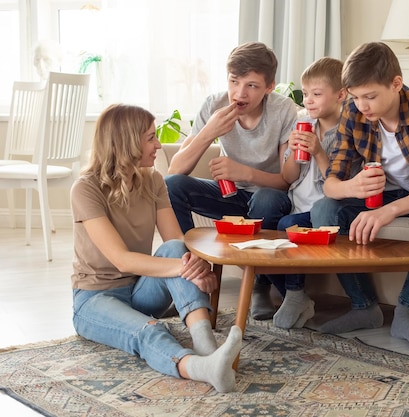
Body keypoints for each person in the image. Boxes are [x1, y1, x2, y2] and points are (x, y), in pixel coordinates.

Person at [71, 104, 242, 393]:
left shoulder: (153, 181)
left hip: (140, 290)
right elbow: (121, 260)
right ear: (127, 142)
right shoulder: (85, 189)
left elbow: (177, 243)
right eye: (150, 137)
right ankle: (202, 368)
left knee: (177, 248)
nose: (158, 144)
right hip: (95, 298)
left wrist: (194, 267)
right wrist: (188, 269)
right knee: (149, 331)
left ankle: (207, 346)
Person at [310, 42, 409, 350]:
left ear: (396, 84)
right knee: (322, 212)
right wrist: (351, 188)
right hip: (374, 196)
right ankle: (364, 307)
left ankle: (407, 313)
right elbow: (331, 183)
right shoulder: (353, 112)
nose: (362, 105)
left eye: (370, 96)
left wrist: (388, 212)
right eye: (355, 97)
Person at [164, 41, 297, 320]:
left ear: (269, 87)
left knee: (267, 198)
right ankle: (191, 277)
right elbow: (175, 170)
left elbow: (285, 181)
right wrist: (208, 131)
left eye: (251, 85)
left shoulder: (283, 110)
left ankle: (260, 286)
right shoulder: (215, 105)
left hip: (269, 198)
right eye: (234, 82)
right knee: (173, 186)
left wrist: (244, 173)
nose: (239, 93)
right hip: (230, 198)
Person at [260, 57, 349, 329]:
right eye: (306, 94)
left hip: (325, 209)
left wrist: (319, 151)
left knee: (288, 225)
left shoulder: (348, 132)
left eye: (317, 94)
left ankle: (296, 294)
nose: (308, 101)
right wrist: (293, 152)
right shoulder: (303, 123)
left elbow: (340, 185)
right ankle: (295, 297)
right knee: (266, 232)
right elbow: (288, 178)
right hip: (297, 204)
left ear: (341, 95)